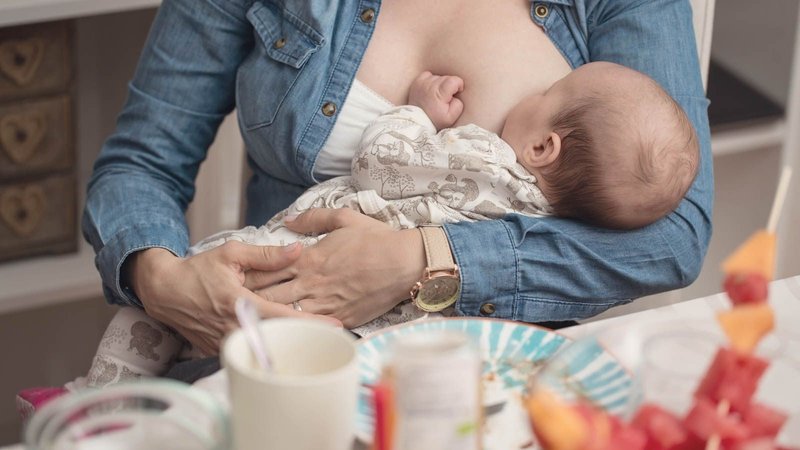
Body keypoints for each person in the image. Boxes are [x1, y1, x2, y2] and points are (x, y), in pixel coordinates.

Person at [82, 0, 712, 360]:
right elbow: (141, 160)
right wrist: (161, 280)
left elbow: (671, 236)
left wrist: (425, 259)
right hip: (285, 335)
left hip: (497, 370)